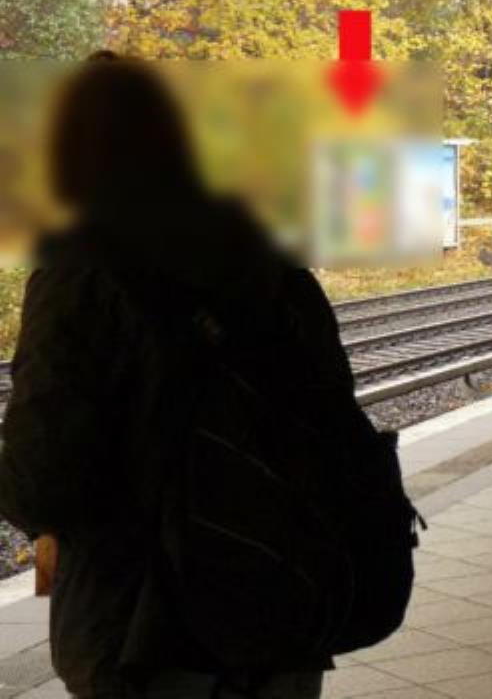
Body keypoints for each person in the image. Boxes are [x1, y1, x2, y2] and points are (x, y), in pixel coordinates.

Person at [0, 55, 394, 699]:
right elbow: (332, 412)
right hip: (283, 603)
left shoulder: (79, 269)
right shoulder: (272, 261)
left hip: (151, 630)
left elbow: (42, 480)